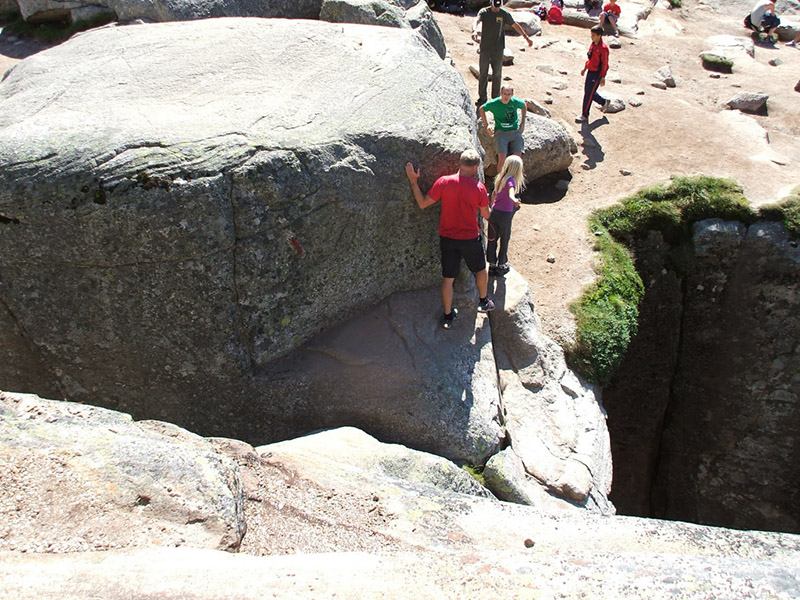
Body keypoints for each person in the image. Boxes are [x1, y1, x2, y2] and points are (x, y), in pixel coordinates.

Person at [405, 150, 496, 330]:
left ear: (460, 164)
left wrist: (413, 181)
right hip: (470, 238)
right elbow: (487, 215)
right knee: (480, 269)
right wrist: (491, 203)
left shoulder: (444, 182)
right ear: (476, 167)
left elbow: (423, 203)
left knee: (448, 279)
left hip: (448, 239)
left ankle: (448, 316)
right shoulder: (478, 188)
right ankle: (484, 301)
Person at [472, 0, 533, 106]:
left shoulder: (503, 14)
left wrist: (526, 37)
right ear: (491, 3)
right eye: (494, 6)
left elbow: (514, 25)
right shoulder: (484, 12)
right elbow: (476, 20)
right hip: (485, 48)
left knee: (497, 74)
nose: (496, 8)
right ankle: (482, 98)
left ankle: (495, 99)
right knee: (483, 74)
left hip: (498, 49)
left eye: (498, 6)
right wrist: (474, 30)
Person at [486, 155, 525, 277]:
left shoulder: (500, 178)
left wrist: (491, 206)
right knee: (505, 238)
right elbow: (511, 193)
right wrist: (514, 200)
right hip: (505, 215)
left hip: (495, 212)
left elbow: (494, 194)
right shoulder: (511, 180)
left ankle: (491, 264)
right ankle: (502, 264)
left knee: (492, 238)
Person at [479, 84, 527, 173]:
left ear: (512, 94)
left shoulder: (515, 102)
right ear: (501, 93)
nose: (506, 96)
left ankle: (513, 179)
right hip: (501, 132)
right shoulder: (495, 103)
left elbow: (523, 105)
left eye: (509, 94)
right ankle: (500, 181)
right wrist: (487, 125)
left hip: (515, 131)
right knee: (502, 157)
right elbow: (482, 109)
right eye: (504, 94)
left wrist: (523, 122)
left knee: (517, 156)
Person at [576, 25, 611, 123]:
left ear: (600, 36)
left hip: (597, 74)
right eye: (591, 35)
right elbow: (590, 58)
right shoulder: (593, 44)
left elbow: (605, 64)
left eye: (594, 35)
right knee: (588, 91)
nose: (592, 37)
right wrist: (584, 68)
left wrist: (603, 77)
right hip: (590, 71)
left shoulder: (603, 48)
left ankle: (585, 114)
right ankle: (604, 102)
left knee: (588, 94)